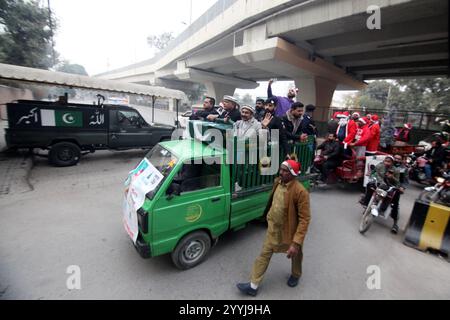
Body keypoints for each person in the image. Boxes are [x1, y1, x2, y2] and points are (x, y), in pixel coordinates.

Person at [236, 159, 311, 296]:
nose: (280, 172)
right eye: (281, 169)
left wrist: (296, 242)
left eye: (284, 171)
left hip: (289, 231)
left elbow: (305, 219)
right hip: (273, 229)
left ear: (292, 174)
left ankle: (296, 274)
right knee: (264, 254)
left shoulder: (300, 192)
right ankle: (253, 285)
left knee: (296, 254)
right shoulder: (278, 182)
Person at [360, 156, 401, 233]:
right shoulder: (380, 165)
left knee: (395, 201)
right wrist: (370, 173)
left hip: (390, 187)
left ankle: (395, 223)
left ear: (392, 162)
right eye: (386, 161)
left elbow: (398, 182)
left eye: (389, 161)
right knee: (370, 184)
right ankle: (366, 203)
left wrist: (392, 178)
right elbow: (374, 173)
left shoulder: (396, 170)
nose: (386, 163)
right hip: (380, 184)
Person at [391, 154, 409, 234]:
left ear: (401, 160)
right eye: (395, 158)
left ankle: (395, 224)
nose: (397, 160)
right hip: (384, 184)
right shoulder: (387, 164)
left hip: (396, 187)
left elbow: (405, 181)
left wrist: (402, 188)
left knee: (395, 204)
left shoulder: (404, 169)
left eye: (399, 159)